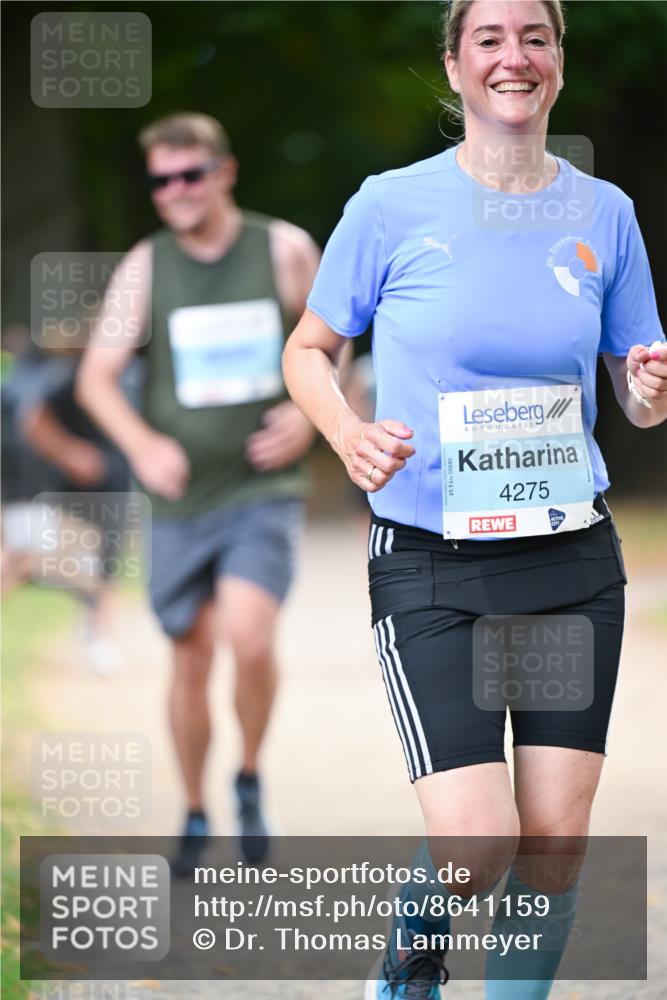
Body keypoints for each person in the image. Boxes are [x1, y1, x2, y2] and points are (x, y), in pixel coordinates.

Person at [283, 2, 666, 997]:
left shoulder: (604, 213)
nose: (513, 56)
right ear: (453, 67)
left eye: (533, 37)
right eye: (487, 39)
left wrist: (646, 388)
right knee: (478, 842)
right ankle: (409, 966)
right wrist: (347, 433)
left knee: (552, 844)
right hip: (430, 560)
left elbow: (633, 381)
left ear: (558, 66)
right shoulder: (388, 206)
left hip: (568, 558)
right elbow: (309, 350)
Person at [77, 113, 320, 871]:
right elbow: (95, 379)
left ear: (224, 172)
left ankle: (247, 773)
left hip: (261, 484)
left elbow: (334, 348)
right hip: (181, 498)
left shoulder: (282, 249)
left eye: (189, 174)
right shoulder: (147, 267)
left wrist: (307, 415)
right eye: (160, 180)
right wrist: (143, 444)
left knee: (248, 638)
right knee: (188, 658)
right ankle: (191, 808)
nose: (175, 191)